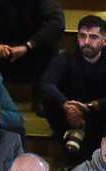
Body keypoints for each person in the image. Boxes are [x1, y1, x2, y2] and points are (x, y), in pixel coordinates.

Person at [39, 15, 106, 153]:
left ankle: (81, 139)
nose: (86, 42)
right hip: (68, 113)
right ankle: (71, 135)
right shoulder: (66, 56)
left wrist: (90, 106)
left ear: (104, 41)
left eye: (93, 37)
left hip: (97, 111)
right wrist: (66, 105)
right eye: (82, 36)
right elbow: (46, 83)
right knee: (48, 97)